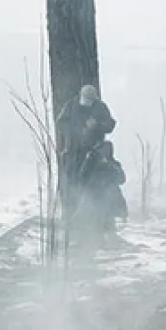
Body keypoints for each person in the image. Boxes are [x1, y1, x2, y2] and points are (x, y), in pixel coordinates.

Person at [55, 84, 116, 215]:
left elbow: (110, 124)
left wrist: (98, 125)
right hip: (74, 151)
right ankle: (71, 211)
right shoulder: (71, 106)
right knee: (73, 179)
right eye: (86, 98)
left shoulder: (101, 107)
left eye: (91, 99)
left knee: (92, 181)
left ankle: (95, 211)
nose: (88, 102)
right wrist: (75, 131)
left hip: (94, 151)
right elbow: (61, 123)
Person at [76, 140, 128, 241]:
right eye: (102, 150)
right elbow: (82, 178)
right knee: (94, 230)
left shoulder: (114, 164)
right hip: (94, 200)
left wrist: (109, 166)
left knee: (110, 230)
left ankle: (110, 251)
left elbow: (122, 179)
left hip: (109, 202)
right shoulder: (91, 163)